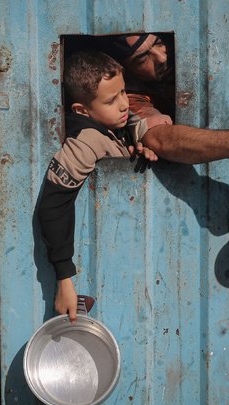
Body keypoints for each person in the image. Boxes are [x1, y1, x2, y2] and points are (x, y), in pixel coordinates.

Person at [37, 50, 154, 322]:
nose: (124, 104)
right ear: (82, 110)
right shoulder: (85, 140)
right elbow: (53, 206)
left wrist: (138, 150)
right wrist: (64, 278)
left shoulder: (112, 125)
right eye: (112, 100)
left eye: (124, 92)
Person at [100, 33, 229, 170]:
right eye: (142, 58)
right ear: (124, 68)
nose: (161, 57)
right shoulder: (130, 96)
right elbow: (160, 138)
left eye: (158, 43)